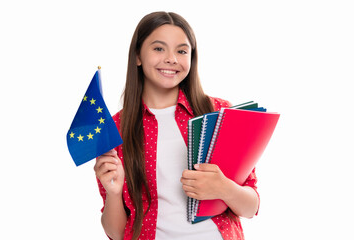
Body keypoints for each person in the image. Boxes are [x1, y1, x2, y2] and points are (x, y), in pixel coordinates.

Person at [93, 11, 259, 240]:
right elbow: (117, 233)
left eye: (181, 51)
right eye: (159, 48)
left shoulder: (220, 113)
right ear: (138, 56)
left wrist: (223, 188)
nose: (171, 58)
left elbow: (251, 207)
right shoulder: (114, 130)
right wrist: (113, 193)